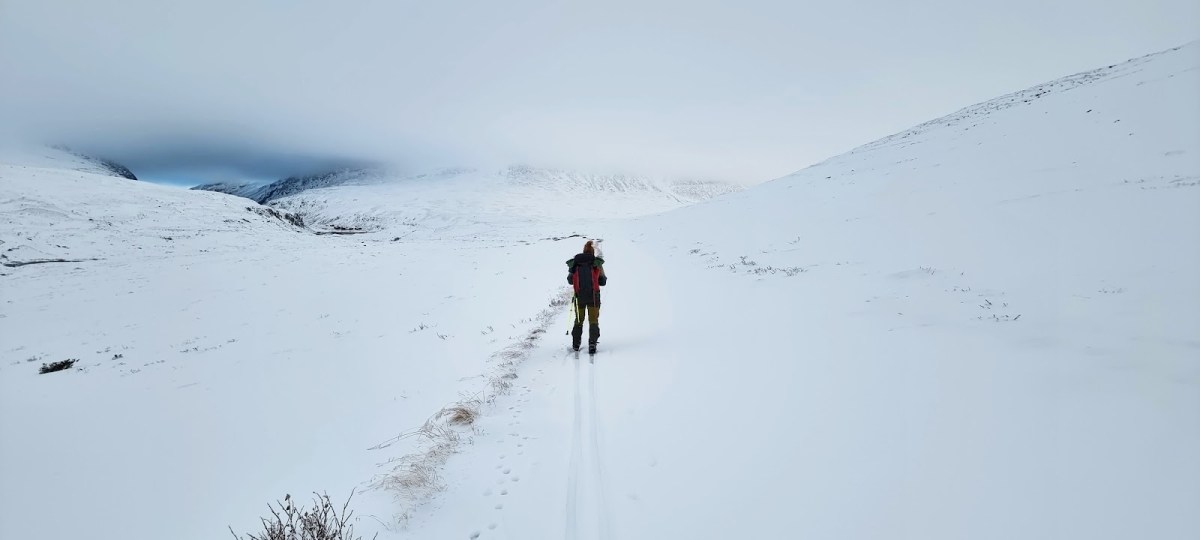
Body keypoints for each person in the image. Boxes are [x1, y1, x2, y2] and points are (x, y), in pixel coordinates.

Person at [566, 240, 607, 353]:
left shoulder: (575, 264)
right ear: (592, 252)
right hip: (593, 297)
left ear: (583, 251)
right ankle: (592, 344)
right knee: (593, 321)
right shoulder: (596, 264)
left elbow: (570, 280)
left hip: (579, 297)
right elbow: (603, 282)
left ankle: (576, 344)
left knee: (579, 320)